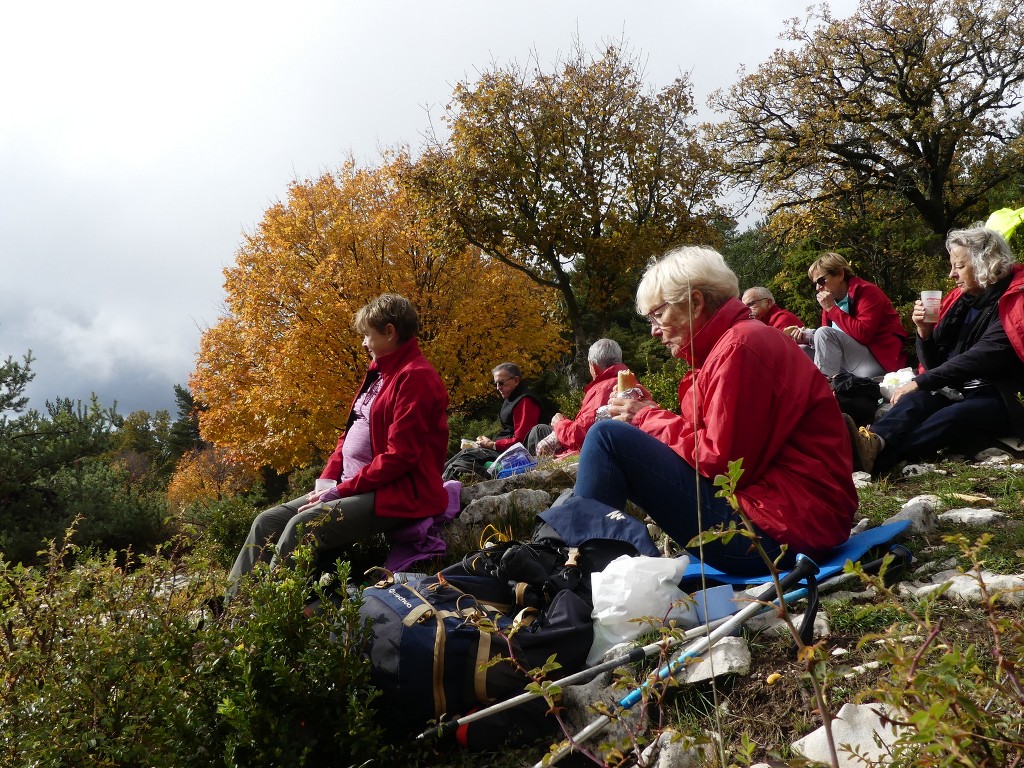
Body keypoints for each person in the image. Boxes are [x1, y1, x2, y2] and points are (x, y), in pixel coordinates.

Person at [572, 246, 856, 575]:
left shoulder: (740, 348)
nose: (653, 329)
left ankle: (579, 575)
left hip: (778, 534)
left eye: (658, 314)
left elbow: (723, 466)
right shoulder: (730, 347)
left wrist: (645, 417)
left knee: (608, 437)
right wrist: (651, 419)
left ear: (694, 303)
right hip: (795, 519)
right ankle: (581, 564)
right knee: (614, 438)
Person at [228, 294, 449, 593]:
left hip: (397, 491)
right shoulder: (378, 373)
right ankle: (235, 609)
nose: (363, 344)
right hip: (352, 484)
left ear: (389, 332)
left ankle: (271, 617)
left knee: (305, 525)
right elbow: (351, 430)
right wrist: (327, 479)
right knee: (266, 521)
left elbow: (401, 456)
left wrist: (339, 491)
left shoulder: (415, 378)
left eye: (367, 335)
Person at [848, 226, 1024, 475]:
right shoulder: (962, 303)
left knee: (951, 417)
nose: (952, 274)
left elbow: (981, 356)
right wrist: (924, 332)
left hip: (1001, 396)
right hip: (958, 388)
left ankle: (874, 458)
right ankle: (871, 442)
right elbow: (935, 364)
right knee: (913, 403)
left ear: (985, 263)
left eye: (959, 266)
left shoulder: (1016, 300)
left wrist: (920, 382)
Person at [785, 252, 907, 379]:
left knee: (824, 333)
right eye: (815, 283)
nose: (818, 287)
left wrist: (831, 309)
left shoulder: (867, 291)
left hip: (879, 362)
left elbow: (863, 335)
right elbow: (830, 343)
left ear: (840, 274)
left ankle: (825, 393)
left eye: (821, 281)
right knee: (802, 350)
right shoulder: (831, 302)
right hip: (853, 362)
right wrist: (807, 338)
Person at [531, 339, 652, 457]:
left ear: (594, 366)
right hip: (630, 446)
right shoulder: (631, 383)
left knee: (538, 431)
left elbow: (579, 436)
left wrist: (559, 423)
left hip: (596, 453)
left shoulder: (602, 389)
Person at [473, 363, 543, 453]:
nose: (498, 388)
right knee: (466, 451)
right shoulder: (511, 398)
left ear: (516, 380)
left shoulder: (525, 401)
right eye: (496, 384)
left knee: (467, 457)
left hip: (517, 453)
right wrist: (490, 443)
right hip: (505, 448)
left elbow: (522, 440)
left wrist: (492, 445)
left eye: (501, 383)